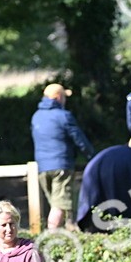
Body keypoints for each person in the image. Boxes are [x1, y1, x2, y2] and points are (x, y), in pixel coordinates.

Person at [31, 83, 95, 230]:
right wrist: (93, 157)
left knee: (58, 205)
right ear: (58, 97)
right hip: (61, 166)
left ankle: (64, 235)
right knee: (59, 206)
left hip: (42, 167)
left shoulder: (36, 116)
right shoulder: (64, 116)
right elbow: (80, 140)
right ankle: (51, 239)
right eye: (65, 96)